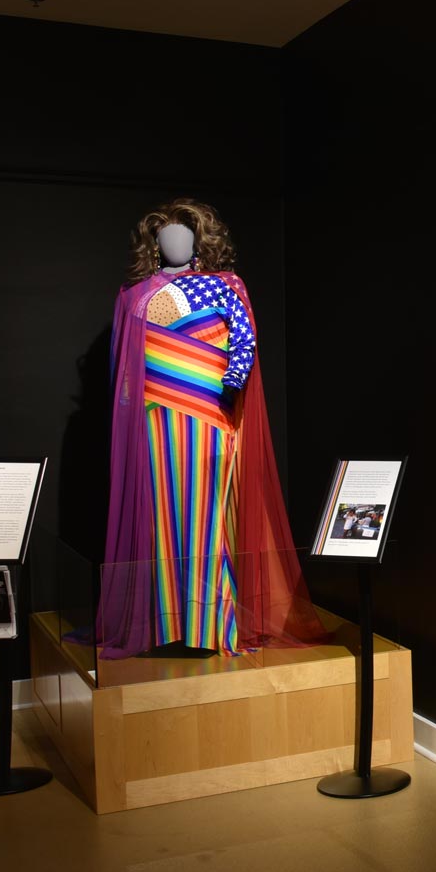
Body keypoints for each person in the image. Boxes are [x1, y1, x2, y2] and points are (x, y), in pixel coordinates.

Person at [96, 198, 325, 659]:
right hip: (155, 426)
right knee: (159, 521)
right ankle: (164, 624)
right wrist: (126, 405)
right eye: (165, 238)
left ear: (200, 239)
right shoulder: (136, 295)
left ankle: (209, 625)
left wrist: (233, 378)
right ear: (154, 244)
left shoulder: (224, 287)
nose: (175, 244)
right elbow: (124, 368)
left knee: (206, 522)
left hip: (209, 420)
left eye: (184, 236)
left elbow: (244, 340)